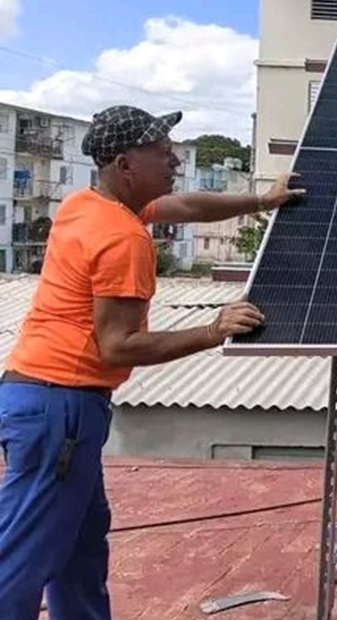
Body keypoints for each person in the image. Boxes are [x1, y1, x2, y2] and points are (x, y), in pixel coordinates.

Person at [0, 105, 304, 620]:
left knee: (79, 548)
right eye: (162, 153)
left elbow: (186, 205)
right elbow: (116, 347)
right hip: (62, 407)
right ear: (124, 164)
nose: (175, 161)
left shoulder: (89, 205)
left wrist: (260, 199)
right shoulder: (121, 237)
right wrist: (213, 330)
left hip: (48, 399)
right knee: (20, 560)